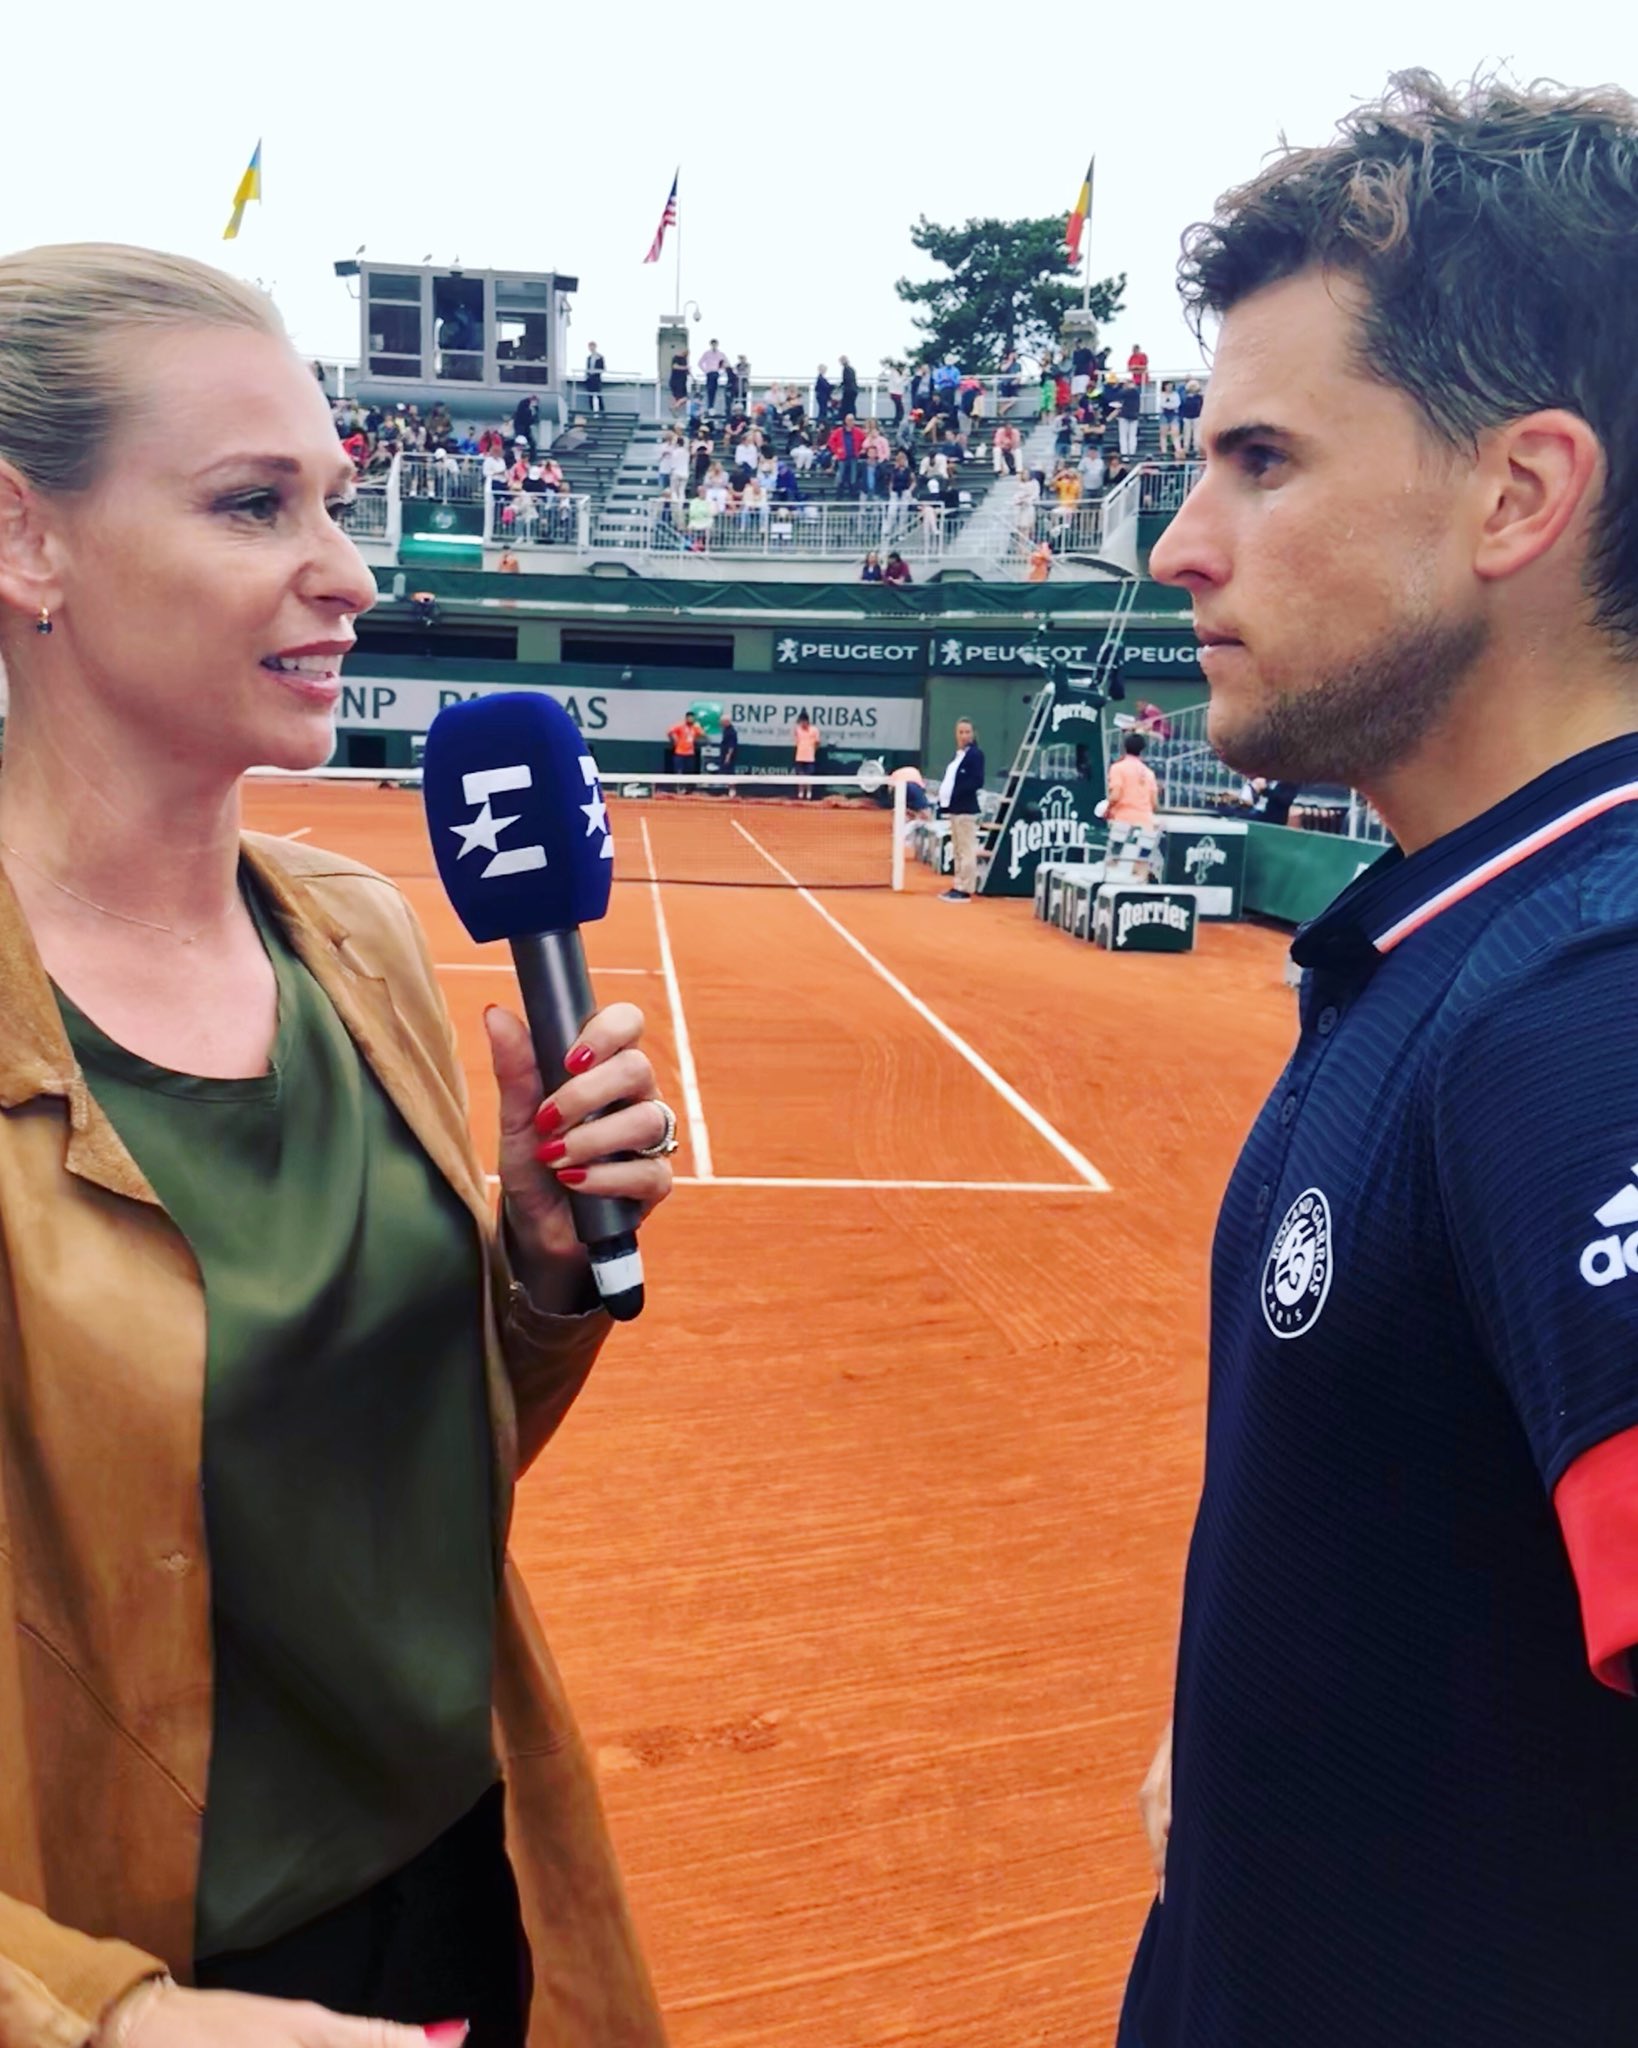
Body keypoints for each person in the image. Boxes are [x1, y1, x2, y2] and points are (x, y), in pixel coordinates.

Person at [0, 242, 674, 2048]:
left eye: (334, 499)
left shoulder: (357, 937)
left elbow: (396, 1481)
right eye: (253, 504)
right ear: (24, 538)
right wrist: (103, 2022)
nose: (351, 571)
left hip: (467, 1890)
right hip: (136, 1968)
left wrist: (538, 1274)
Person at [1122, 72, 1638, 2048]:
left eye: (1261, 460)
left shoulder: (1584, 996)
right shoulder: (1473, 945)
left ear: (1518, 497)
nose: (1183, 543)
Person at [937, 718, 985, 902]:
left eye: (967, 732)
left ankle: (966, 888)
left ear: (973, 734)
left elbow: (977, 781)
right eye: (961, 732)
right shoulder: (958, 756)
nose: (964, 736)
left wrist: (958, 793)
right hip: (955, 809)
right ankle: (958, 884)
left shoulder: (976, 755)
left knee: (966, 850)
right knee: (957, 850)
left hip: (966, 809)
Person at [1105, 730, 1160, 824]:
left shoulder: (1117, 768)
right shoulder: (1149, 773)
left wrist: (1107, 809)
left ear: (1124, 747)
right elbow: (1154, 804)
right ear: (1142, 750)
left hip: (1123, 821)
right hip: (1145, 822)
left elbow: (1115, 796)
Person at [792, 713, 820, 794]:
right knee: (800, 776)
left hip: (810, 758)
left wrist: (812, 751)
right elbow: (796, 741)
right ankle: (800, 793)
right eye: (800, 721)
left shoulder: (814, 730)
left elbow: (817, 743)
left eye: (803, 721)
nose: (802, 723)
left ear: (807, 721)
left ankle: (809, 793)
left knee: (809, 776)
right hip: (799, 757)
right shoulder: (797, 730)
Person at [1179, 376, 1205, 454]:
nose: (1193, 388)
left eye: (1194, 386)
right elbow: (1182, 406)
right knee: (1187, 433)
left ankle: (1196, 447)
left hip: (1197, 416)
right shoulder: (1184, 396)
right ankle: (1186, 447)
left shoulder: (1199, 397)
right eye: (1191, 386)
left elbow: (1202, 406)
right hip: (1187, 417)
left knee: (1196, 433)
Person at [582, 342, 605, 414]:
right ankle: (591, 411)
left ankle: (602, 411)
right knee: (590, 396)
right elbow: (587, 368)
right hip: (590, 379)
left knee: (598, 395)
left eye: (592, 346)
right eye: (590, 347)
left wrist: (595, 372)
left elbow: (602, 368)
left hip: (596, 378)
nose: (591, 348)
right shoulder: (589, 358)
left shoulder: (600, 357)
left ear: (595, 347)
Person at [667, 344, 689, 417]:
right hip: (677, 382)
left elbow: (686, 370)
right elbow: (675, 366)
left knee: (678, 398)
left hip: (682, 382)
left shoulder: (684, 360)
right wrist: (685, 368)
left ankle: (675, 410)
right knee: (684, 397)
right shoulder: (676, 358)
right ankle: (674, 407)